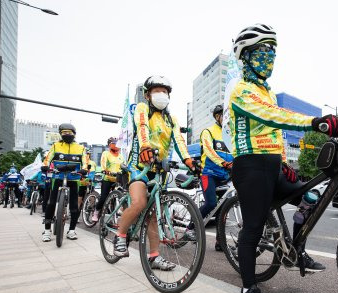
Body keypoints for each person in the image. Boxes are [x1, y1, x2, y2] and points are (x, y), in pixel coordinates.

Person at [229, 24, 338, 293]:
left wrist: (283, 162)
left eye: (271, 51)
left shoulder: (265, 91)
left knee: (311, 198)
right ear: (246, 56)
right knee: (253, 228)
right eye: (261, 51)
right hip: (250, 165)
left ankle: (297, 251)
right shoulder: (240, 89)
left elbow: (274, 132)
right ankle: (248, 290)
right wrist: (314, 122)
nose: (268, 56)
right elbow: (273, 116)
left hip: (271, 165)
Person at [113, 75, 200, 269]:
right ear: (147, 94)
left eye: (165, 92)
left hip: (159, 170)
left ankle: (153, 256)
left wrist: (188, 161)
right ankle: (120, 236)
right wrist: (144, 147)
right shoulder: (142, 109)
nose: (161, 95)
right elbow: (142, 127)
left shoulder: (171, 119)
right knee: (139, 202)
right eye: (156, 91)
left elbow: (178, 141)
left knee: (153, 215)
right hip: (139, 167)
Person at [41, 123, 88, 242]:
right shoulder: (55, 146)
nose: (67, 134)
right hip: (57, 177)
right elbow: (47, 159)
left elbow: (85, 161)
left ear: (74, 134)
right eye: (64, 133)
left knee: (74, 205)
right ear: (60, 134)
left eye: (69, 133)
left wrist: (85, 169)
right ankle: (47, 231)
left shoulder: (81, 148)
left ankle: (71, 230)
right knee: (51, 203)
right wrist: (45, 166)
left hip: (73, 178)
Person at [198, 104, 233, 251]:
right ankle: (191, 227)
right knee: (211, 203)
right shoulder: (208, 132)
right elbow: (209, 151)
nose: (226, 119)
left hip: (225, 175)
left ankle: (220, 242)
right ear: (217, 117)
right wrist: (223, 162)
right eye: (223, 116)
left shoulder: (230, 134)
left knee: (223, 209)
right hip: (209, 174)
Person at [91, 137, 125, 222]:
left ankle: (111, 216)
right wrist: (104, 170)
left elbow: (123, 166)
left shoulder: (121, 156)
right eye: (114, 144)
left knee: (116, 197)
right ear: (110, 145)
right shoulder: (106, 153)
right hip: (107, 178)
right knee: (103, 198)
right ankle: (96, 211)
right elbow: (103, 162)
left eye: (117, 144)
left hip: (117, 180)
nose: (116, 146)